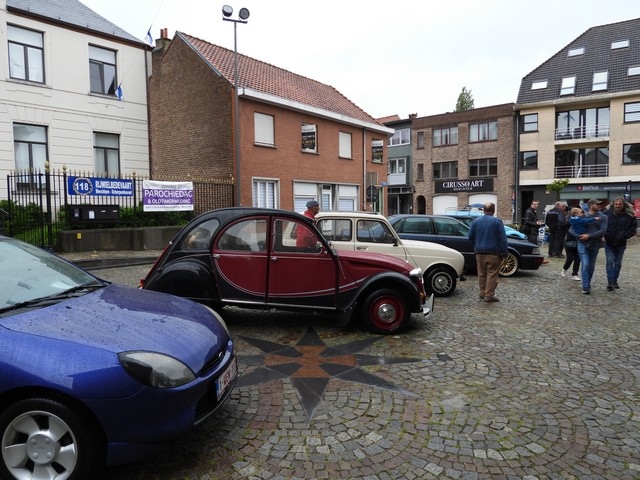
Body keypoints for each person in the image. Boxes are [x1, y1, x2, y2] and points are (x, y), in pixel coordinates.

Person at [468, 202, 508, 303]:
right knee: (492, 274)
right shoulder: (497, 222)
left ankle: (482, 292)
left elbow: (470, 236)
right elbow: (503, 238)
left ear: (484, 210)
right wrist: (504, 252)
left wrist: (476, 244)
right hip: (493, 252)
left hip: (479, 251)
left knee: (481, 273)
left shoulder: (476, 221)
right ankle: (489, 295)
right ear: (493, 210)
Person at [569, 199, 607, 295]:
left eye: (600, 204)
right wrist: (579, 236)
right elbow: (571, 229)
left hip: (595, 244)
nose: (599, 206)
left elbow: (603, 230)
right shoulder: (582, 216)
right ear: (591, 205)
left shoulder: (603, 217)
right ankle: (585, 286)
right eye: (597, 204)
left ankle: (587, 283)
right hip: (582, 243)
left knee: (591, 266)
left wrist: (589, 236)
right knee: (585, 264)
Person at [602, 197, 638, 291]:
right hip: (609, 242)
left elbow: (632, 228)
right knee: (610, 262)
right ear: (613, 204)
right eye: (616, 204)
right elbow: (602, 225)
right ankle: (610, 282)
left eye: (620, 204)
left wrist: (625, 236)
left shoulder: (629, 215)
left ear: (623, 205)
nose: (618, 206)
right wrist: (604, 234)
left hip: (621, 243)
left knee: (617, 263)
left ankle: (614, 280)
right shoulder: (606, 214)